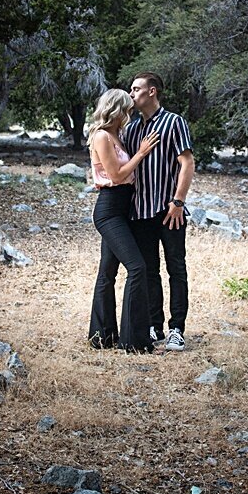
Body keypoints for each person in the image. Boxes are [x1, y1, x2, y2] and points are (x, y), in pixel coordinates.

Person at [121, 72, 195, 351]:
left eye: (136, 89)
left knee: (176, 268)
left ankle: (177, 329)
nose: (131, 94)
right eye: (131, 89)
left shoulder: (174, 122)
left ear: (152, 92)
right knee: (149, 271)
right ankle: (155, 326)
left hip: (169, 210)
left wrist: (178, 202)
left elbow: (187, 163)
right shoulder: (131, 130)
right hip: (140, 212)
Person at [86, 88, 161, 352]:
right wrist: (140, 154)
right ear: (116, 109)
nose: (130, 113)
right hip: (109, 210)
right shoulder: (102, 136)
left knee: (107, 273)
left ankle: (102, 337)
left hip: (123, 209)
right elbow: (116, 176)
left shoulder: (117, 135)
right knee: (137, 268)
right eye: (127, 109)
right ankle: (134, 341)